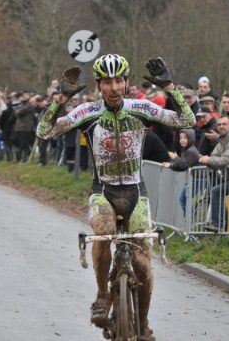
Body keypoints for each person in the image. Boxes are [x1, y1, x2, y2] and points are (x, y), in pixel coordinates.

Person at [36, 54, 195, 340]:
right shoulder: (88, 112)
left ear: (127, 82)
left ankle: (143, 324)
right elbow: (45, 130)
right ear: (99, 85)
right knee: (104, 232)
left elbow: (187, 119)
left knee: (143, 266)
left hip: (135, 192)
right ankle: (101, 296)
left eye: (119, 80)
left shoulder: (141, 108)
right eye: (107, 82)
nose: (114, 87)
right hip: (103, 192)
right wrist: (61, 98)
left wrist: (169, 87)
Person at [198, 116, 229, 232]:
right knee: (217, 192)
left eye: (224, 124)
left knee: (216, 191)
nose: (221, 127)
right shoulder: (222, 140)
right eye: (219, 125)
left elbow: (227, 160)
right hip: (228, 178)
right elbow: (215, 155)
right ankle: (220, 226)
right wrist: (210, 160)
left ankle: (218, 224)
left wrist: (209, 160)